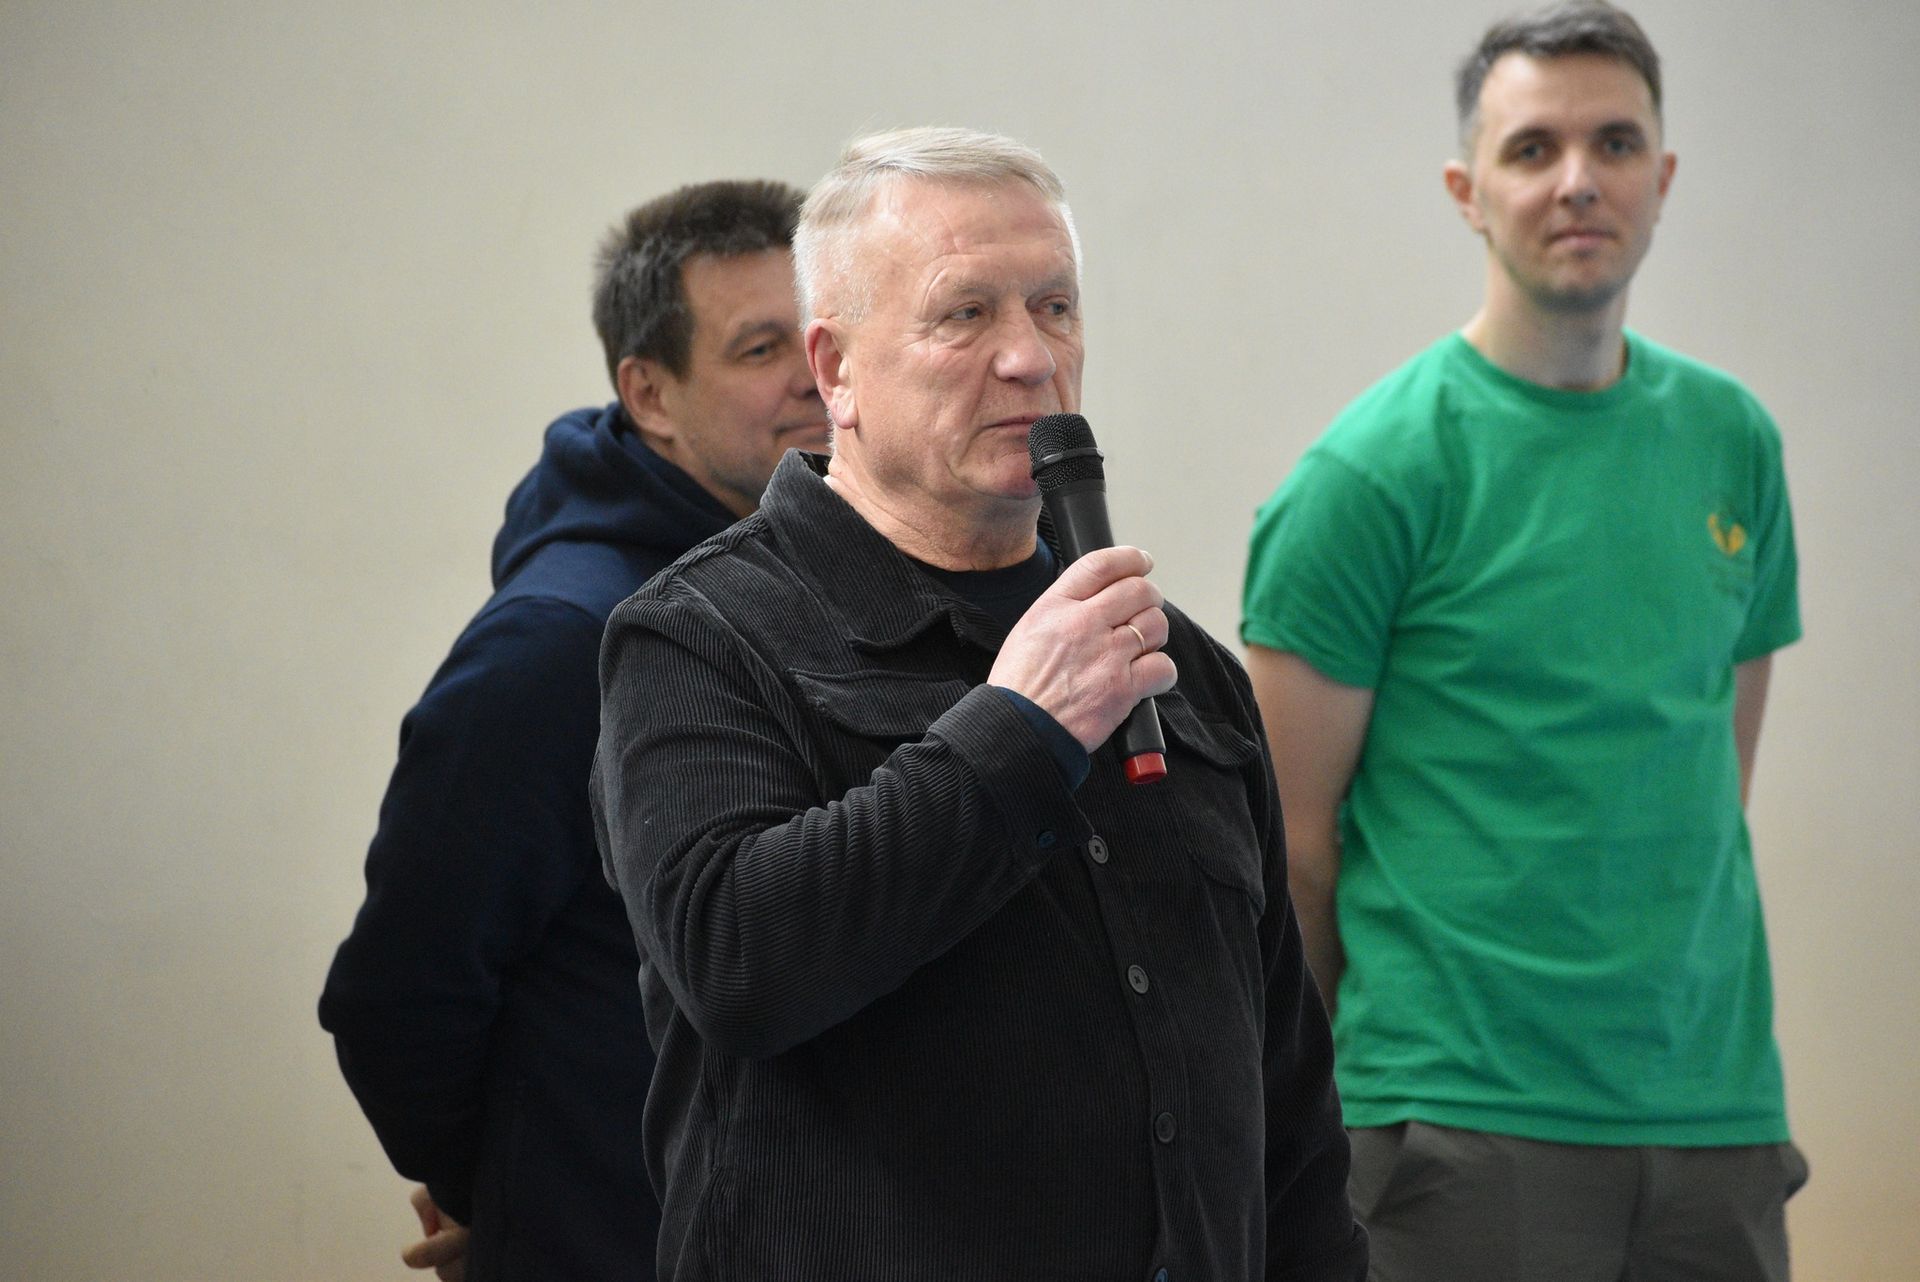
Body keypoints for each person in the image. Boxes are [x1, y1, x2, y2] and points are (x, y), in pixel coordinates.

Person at [590, 127, 1366, 1281]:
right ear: (836, 371)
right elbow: (740, 964)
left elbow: (1285, 1101)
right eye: (965, 314)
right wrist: (1020, 731)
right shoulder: (701, 635)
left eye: (1055, 308)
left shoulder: (1179, 669)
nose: (1030, 358)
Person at [1240, 4, 1805, 1279]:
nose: (1577, 180)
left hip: (1714, 1118)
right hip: (1458, 1123)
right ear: (1469, 191)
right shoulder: (1368, 476)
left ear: (1662, 178)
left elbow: (1714, 785)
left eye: (1616, 143)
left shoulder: (1735, 444)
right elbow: (1290, 850)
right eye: (1534, 147)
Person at [319, 179, 826, 1281]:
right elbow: (401, 995)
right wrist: (505, 1196)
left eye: (823, 333)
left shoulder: (819, 577)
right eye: (759, 348)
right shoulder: (559, 647)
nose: (813, 374)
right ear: (649, 394)